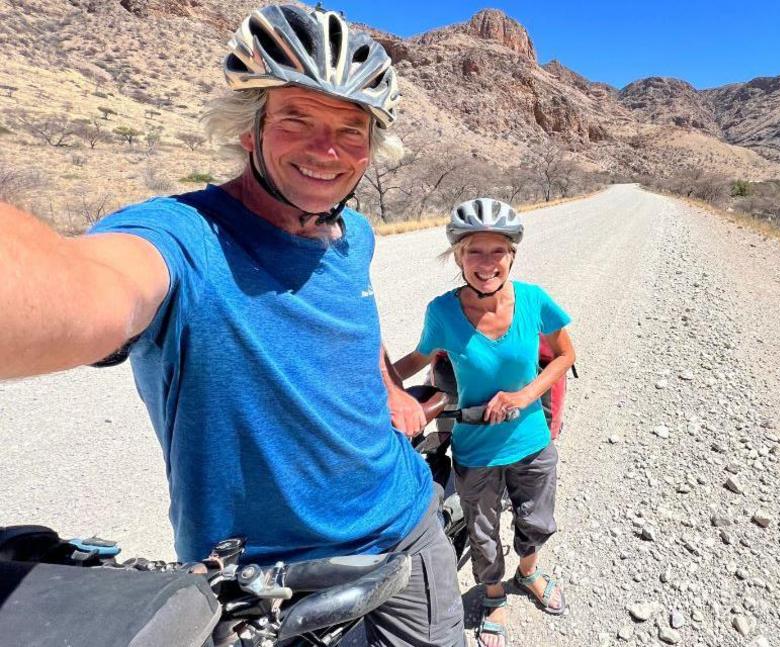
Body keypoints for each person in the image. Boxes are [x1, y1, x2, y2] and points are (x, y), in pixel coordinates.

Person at [0, 5, 465, 646]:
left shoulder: (354, 233)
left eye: (350, 130)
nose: (326, 150)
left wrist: (387, 386)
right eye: (296, 119)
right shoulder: (184, 237)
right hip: (255, 581)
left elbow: (355, 314)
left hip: (403, 526)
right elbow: (88, 285)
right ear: (250, 130)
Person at [396, 198, 576, 647]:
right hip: (475, 447)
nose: (486, 263)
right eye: (474, 251)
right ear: (457, 256)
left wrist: (522, 395)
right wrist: (371, 387)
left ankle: (529, 575)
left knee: (536, 520)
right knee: (482, 531)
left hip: (531, 440)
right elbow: (418, 358)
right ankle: (494, 596)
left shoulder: (534, 300)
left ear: (512, 255)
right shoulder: (442, 311)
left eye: (497, 251)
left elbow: (566, 355)